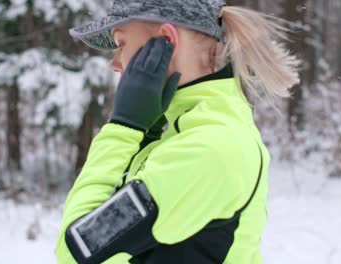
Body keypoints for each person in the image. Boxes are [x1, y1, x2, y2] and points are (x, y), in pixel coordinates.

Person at [56, 0, 300, 263]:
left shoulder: (208, 148)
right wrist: (146, 133)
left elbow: (75, 251)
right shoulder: (185, 132)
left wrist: (123, 128)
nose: (115, 64)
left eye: (120, 44)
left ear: (165, 41)